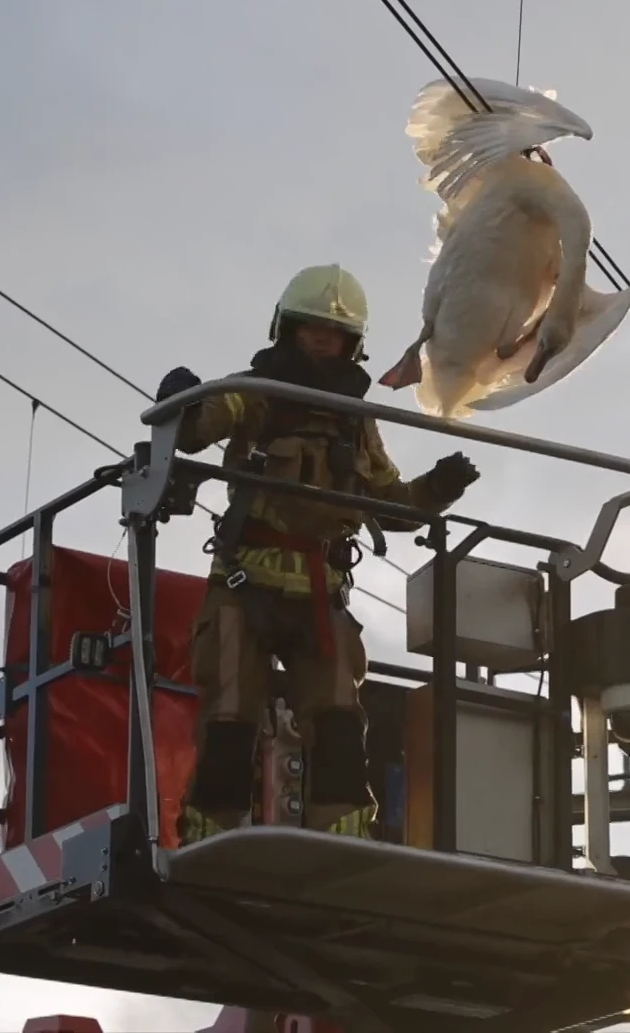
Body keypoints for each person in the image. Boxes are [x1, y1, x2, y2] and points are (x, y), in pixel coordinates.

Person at [154, 264, 481, 843]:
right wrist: (180, 402)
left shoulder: (357, 426)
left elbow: (392, 505)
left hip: (321, 597)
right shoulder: (253, 394)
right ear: (287, 331)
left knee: (338, 724)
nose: (321, 341)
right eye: (310, 330)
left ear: (352, 346)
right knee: (230, 721)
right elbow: (191, 432)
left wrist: (438, 489)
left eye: (333, 334)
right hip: (244, 588)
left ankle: (345, 842)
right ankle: (211, 839)